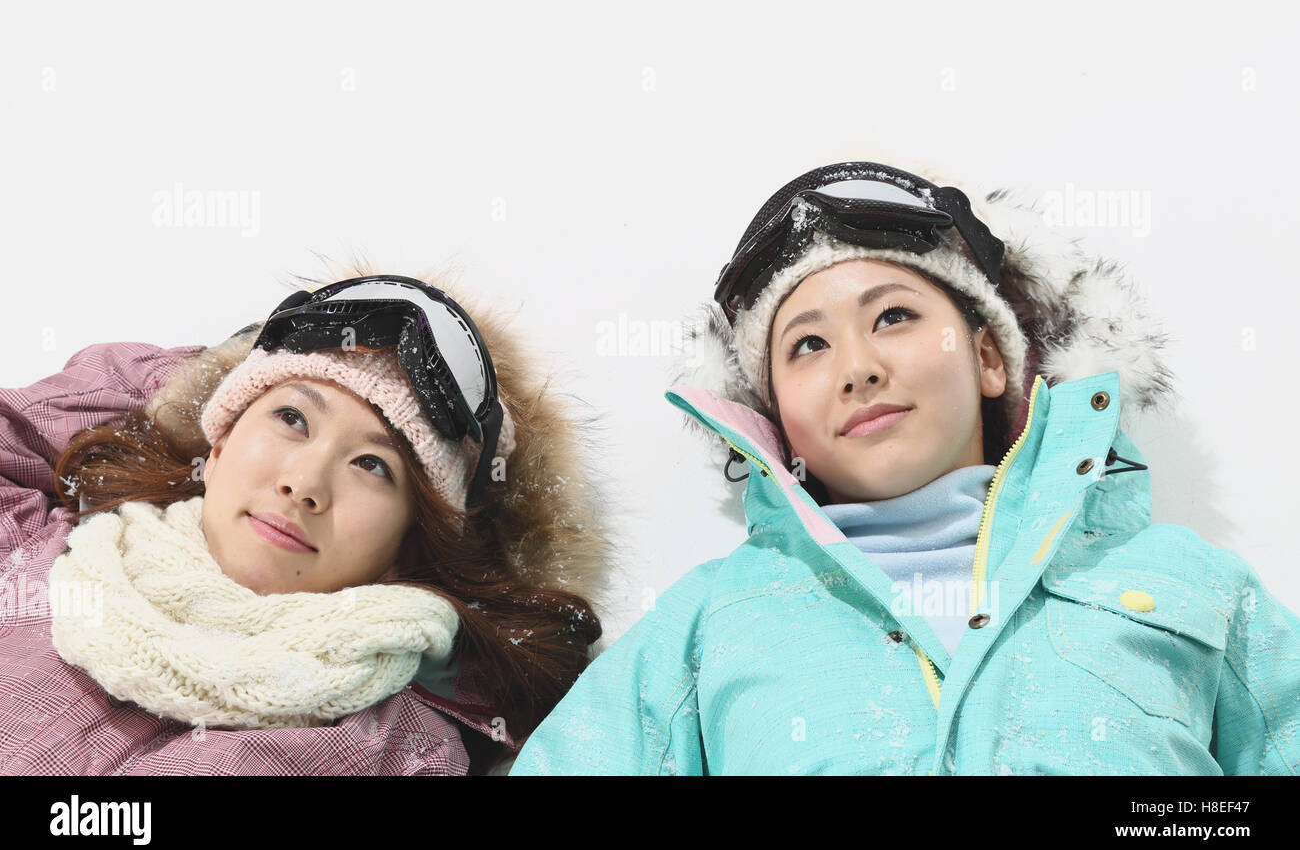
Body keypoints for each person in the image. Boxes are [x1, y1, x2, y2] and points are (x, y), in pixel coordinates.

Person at [510, 160, 1300, 775]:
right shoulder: (707, 625)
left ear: (990, 358)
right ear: (776, 416)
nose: (857, 367)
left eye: (894, 316)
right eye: (808, 345)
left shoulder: (1191, 585)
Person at [0, 258, 610, 775]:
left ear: (410, 544)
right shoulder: (39, 544)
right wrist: (188, 389)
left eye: (374, 465)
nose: (304, 484)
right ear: (218, 443)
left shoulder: (388, 747)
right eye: (291, 418)